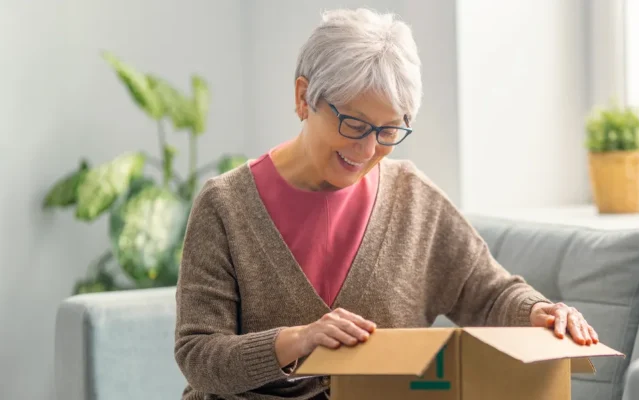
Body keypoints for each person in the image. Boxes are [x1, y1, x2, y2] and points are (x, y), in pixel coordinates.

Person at [174, 8, 598, 400]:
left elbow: (488, 293)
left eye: (389, 131)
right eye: (354, 124)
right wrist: (297, 341)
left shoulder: (414, 198)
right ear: (304, 97)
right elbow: (198, 354)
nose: (367, 148)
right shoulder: (225, 206)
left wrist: (539, 312)